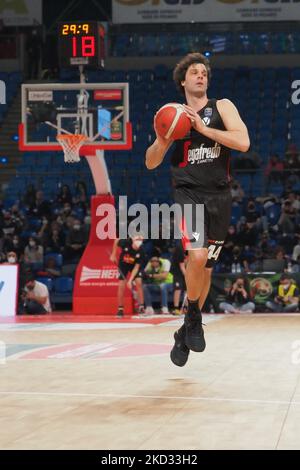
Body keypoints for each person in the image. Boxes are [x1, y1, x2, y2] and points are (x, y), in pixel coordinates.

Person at [145, 52, 250, 367]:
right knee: (197, 256)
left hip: (219, 195)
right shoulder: (170, 114)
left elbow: (242, 142)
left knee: (205, 271)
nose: (201, 76)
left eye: (204, 72)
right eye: (194, 72)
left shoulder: (222, 107)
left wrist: (204, 131)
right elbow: (150, 162)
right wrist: (163, 141)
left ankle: (185, 329)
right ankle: (193, 315)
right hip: (188, 193)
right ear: (183, 81)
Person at [110, 235, 145, 317]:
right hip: (123, 265)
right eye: (137, 239)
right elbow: (116, 240)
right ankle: (120, 309)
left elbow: (136, 268)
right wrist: (113, 254)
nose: (139, 241)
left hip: (134, 266)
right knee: (121, 285)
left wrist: (130, 281)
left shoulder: (141, 251)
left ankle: (141, 307)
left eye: (140, 239)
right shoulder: (125, 243)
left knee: (138, 282)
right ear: (133, 239)